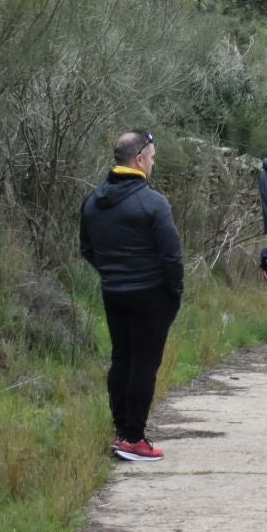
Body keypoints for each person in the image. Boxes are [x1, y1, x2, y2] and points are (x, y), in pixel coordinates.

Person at [80, 130, 183, 463]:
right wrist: (173, 292)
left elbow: (87, 249)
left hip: (114, 292)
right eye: (152, 157)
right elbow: (171, 257)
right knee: (143, 365)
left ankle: (121, 430)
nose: (153, 163)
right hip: (151, 296)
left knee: (122, 361)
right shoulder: (153, 202)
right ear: (139, 159)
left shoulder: (93, 200)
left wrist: (112, 273)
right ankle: (134, 439)